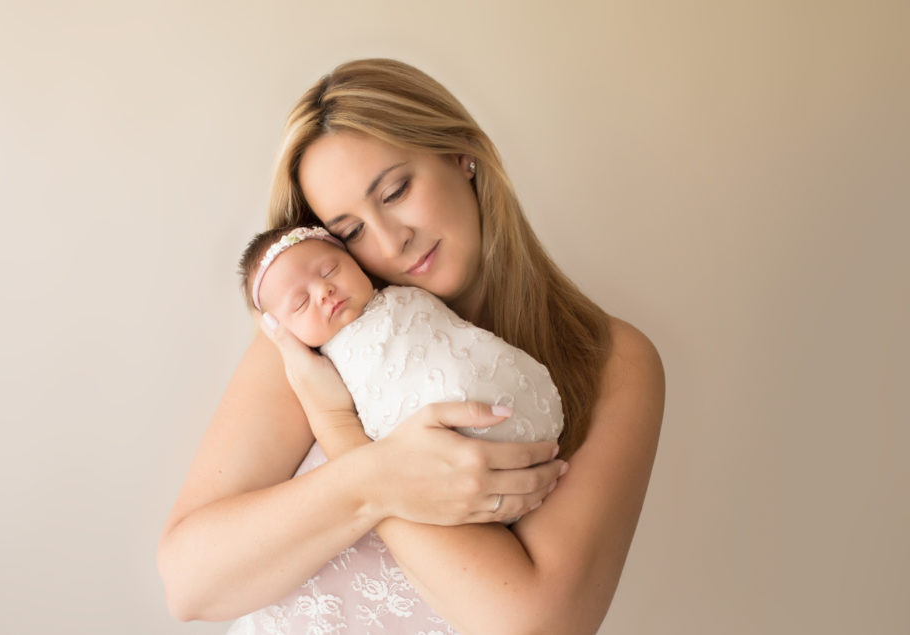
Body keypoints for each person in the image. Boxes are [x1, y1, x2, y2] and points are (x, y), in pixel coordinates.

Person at [157, 58, 665, 635]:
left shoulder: (612, 360)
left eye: (395, 191)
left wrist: (344, 437)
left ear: (461, 153)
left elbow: (531, 624)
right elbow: (189, 583)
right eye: (348, 231)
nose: (391, 240)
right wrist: (371, 471)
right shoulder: (319, 336)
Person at [238, 223, 563, 449]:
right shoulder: (322, 371)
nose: (324, 291)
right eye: (301, 302)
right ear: (282, 330)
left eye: (329, 270)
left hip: (506, 390)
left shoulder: (405, 292)